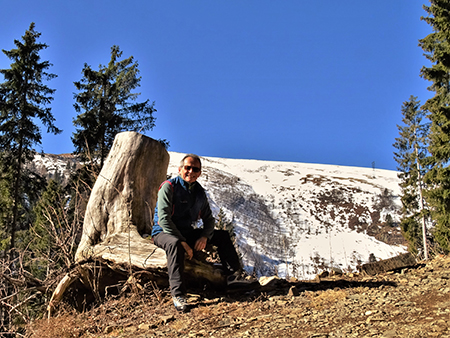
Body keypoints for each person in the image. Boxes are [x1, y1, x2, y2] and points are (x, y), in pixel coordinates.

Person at [152, 154, 255, 312]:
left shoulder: (199, 192)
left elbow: (209, 219)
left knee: (222, 236)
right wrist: (184, 242)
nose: (191, 171)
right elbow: (164, 220)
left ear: (199, 173)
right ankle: (178, 294)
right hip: (163, 232)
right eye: (187, 168)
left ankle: (233, 277)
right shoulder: (169, 187)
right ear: (180, 169)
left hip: (187, 232)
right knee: (175, 245)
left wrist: (204, 236)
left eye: (195, 169)